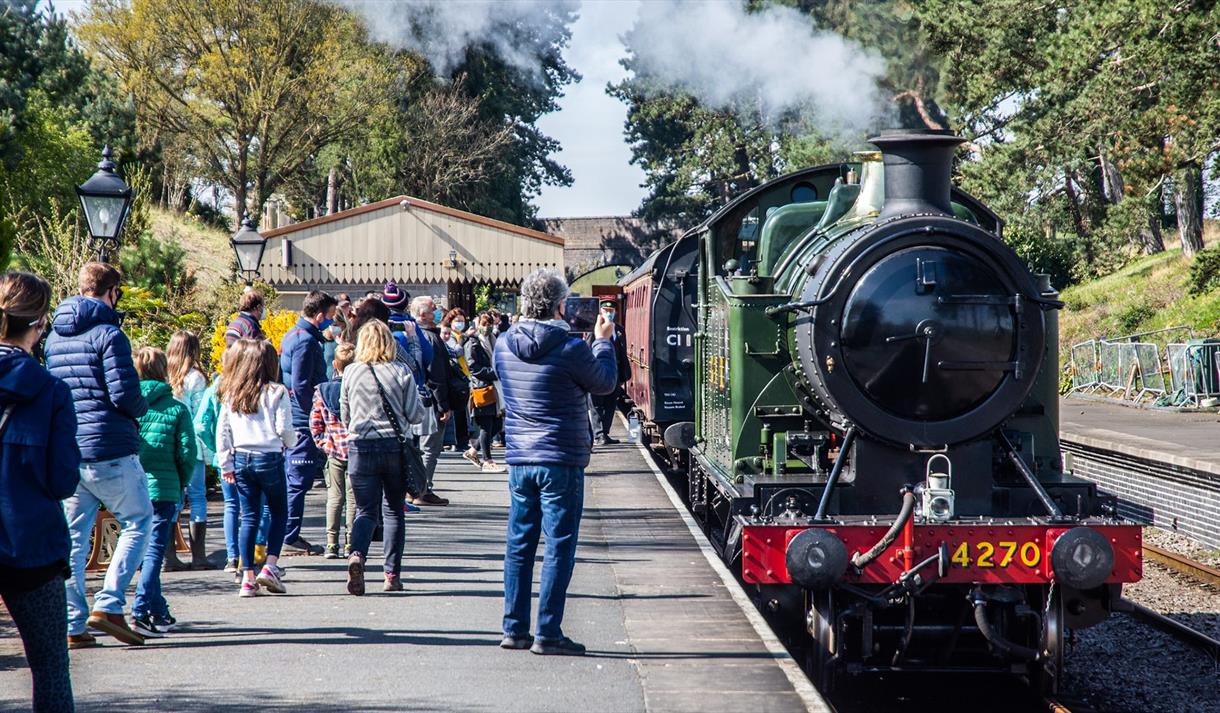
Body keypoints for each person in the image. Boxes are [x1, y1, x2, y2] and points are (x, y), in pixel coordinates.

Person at [494, 268, 617, 656]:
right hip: (560, 457)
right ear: (561, 305)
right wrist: (602, 343)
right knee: (559, 544)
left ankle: (514, 629)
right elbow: (605, 383)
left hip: (520, 457)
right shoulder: (571, 348)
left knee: (519, 543)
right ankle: (548, 632)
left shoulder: (502, 344)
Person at [45, 262, 151, 647]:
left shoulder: (54, 337)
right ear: (112, 291)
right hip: (111, 447)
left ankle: (74, 625)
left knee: (74, 539)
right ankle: (108, 602)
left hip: (72, 449)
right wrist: (142, 408)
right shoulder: (110, 334)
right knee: (139, 520)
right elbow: (123, 394)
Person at [0, 271, 80, 710]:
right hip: (31, 541)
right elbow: (62, 480)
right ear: (39, 324)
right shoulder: (50, 391)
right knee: (49, 667)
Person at [340, 320, 425, 595]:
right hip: (393, 447)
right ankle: (391, 575)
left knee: (365, 511)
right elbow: (415, 415)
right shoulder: (401, 371)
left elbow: (345, 416)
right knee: (393, 511)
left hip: (360, 448)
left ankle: (357, 555)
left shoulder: (351, 372)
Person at [217, 339, 294, 597]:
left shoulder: (232, 393)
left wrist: (226, 463)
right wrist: (288, 443)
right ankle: (270, 565)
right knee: (278, 511)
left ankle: (247, 576)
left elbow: (223, 432)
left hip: (241, 457)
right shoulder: (277, 392)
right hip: (269, 455)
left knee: (248, 516)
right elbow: (284, 429)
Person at [130, 347, 197, 637]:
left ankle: (158, 610)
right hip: (165, 486)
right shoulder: (176, 408)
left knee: (144, 552)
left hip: (132, 485)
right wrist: (182, 482)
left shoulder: (127, 406)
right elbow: (186, 453)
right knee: (155, 550)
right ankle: (141, 610)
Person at [279, 289, 338, 554]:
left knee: (295, 479)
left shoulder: (293, 334)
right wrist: (315, 417)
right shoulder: (305, 341)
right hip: (302, 420)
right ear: (320, 316)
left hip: (296, 415)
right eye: (331, 317)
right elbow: (302, 385)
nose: (332, 323)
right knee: (298, 480)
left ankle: (288, 532)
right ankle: (289, 535)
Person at [166, 330, 213, 569]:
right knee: (197, 497)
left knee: (173, 499)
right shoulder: (196, 378)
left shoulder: (164, 374)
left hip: (168, 447)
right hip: (192, 446)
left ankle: (169, 556)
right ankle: (198, 556)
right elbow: (200, 416)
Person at [311, 341, 357, 559]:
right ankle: (351, 542)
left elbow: (315, 422)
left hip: (334, 449)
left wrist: (322, 443)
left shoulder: (322, 391)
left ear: (335, 364)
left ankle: (331, 543)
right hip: (356, 449)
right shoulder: (358, 388)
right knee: (353, 498)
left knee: (334, 498)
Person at [410, 295, 452, 506]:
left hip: (415, 397)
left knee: (418, 446)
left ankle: (416, 487)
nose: (438, 311)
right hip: (430, 400)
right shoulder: (429, 338)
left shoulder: (415, 335)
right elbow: (436, 374)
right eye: (433, 309)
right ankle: (422, 489)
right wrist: (443, 404)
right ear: (423, 314)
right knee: (430, 448)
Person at [465, 313, 506, 473]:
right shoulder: (473, 342)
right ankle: (488, 460)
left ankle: (473, 451)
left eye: (491, 323)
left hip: (495, 387)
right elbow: (473, 368)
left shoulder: (493, 340)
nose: (488, 326)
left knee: (496, 424)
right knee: (486, 425)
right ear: (478, 324)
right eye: (484, 323)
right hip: (482, 388)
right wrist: (495, 372)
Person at [588, 299, 630, 446]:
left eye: (611, 311)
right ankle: (598, 435)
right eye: (606, 311)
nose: (609, 314)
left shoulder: (619, 330)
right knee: (596, 404)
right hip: (597, 372)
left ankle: (605, 432)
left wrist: (624, 373)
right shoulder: (594, 330)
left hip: (615, 373)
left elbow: (622, 352)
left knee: (611, 404)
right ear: (601, 312)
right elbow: (588, 349)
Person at [441, 308, 472, 455]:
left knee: (463, 412)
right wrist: (462, 339)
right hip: (454, 377)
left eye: (462, 321)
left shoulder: (461, 335)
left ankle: (463, 439)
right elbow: (455, 352)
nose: (460, 323)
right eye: (457, 321)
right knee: (458, 411)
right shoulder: (453, 337)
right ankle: (457, 440)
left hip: (464, 375)